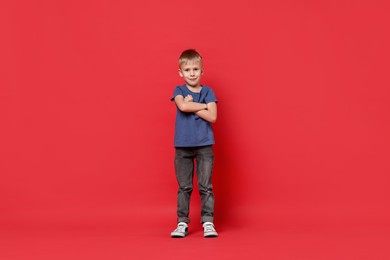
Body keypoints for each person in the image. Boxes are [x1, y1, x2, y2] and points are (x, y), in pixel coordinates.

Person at [170, 49, 218, 238]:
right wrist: (204, 105)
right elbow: (182, 106)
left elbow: (213, 116)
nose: (192, 73)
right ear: (181, 73)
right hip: (182, 146)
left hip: (204, 145)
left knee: (206, 186)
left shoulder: (208, 91)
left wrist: (194, 106)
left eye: (195, 69)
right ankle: (182, 222)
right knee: (184, 187)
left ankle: (208, 222)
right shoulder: (179, 90)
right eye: (187, 70)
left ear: (202, 71)